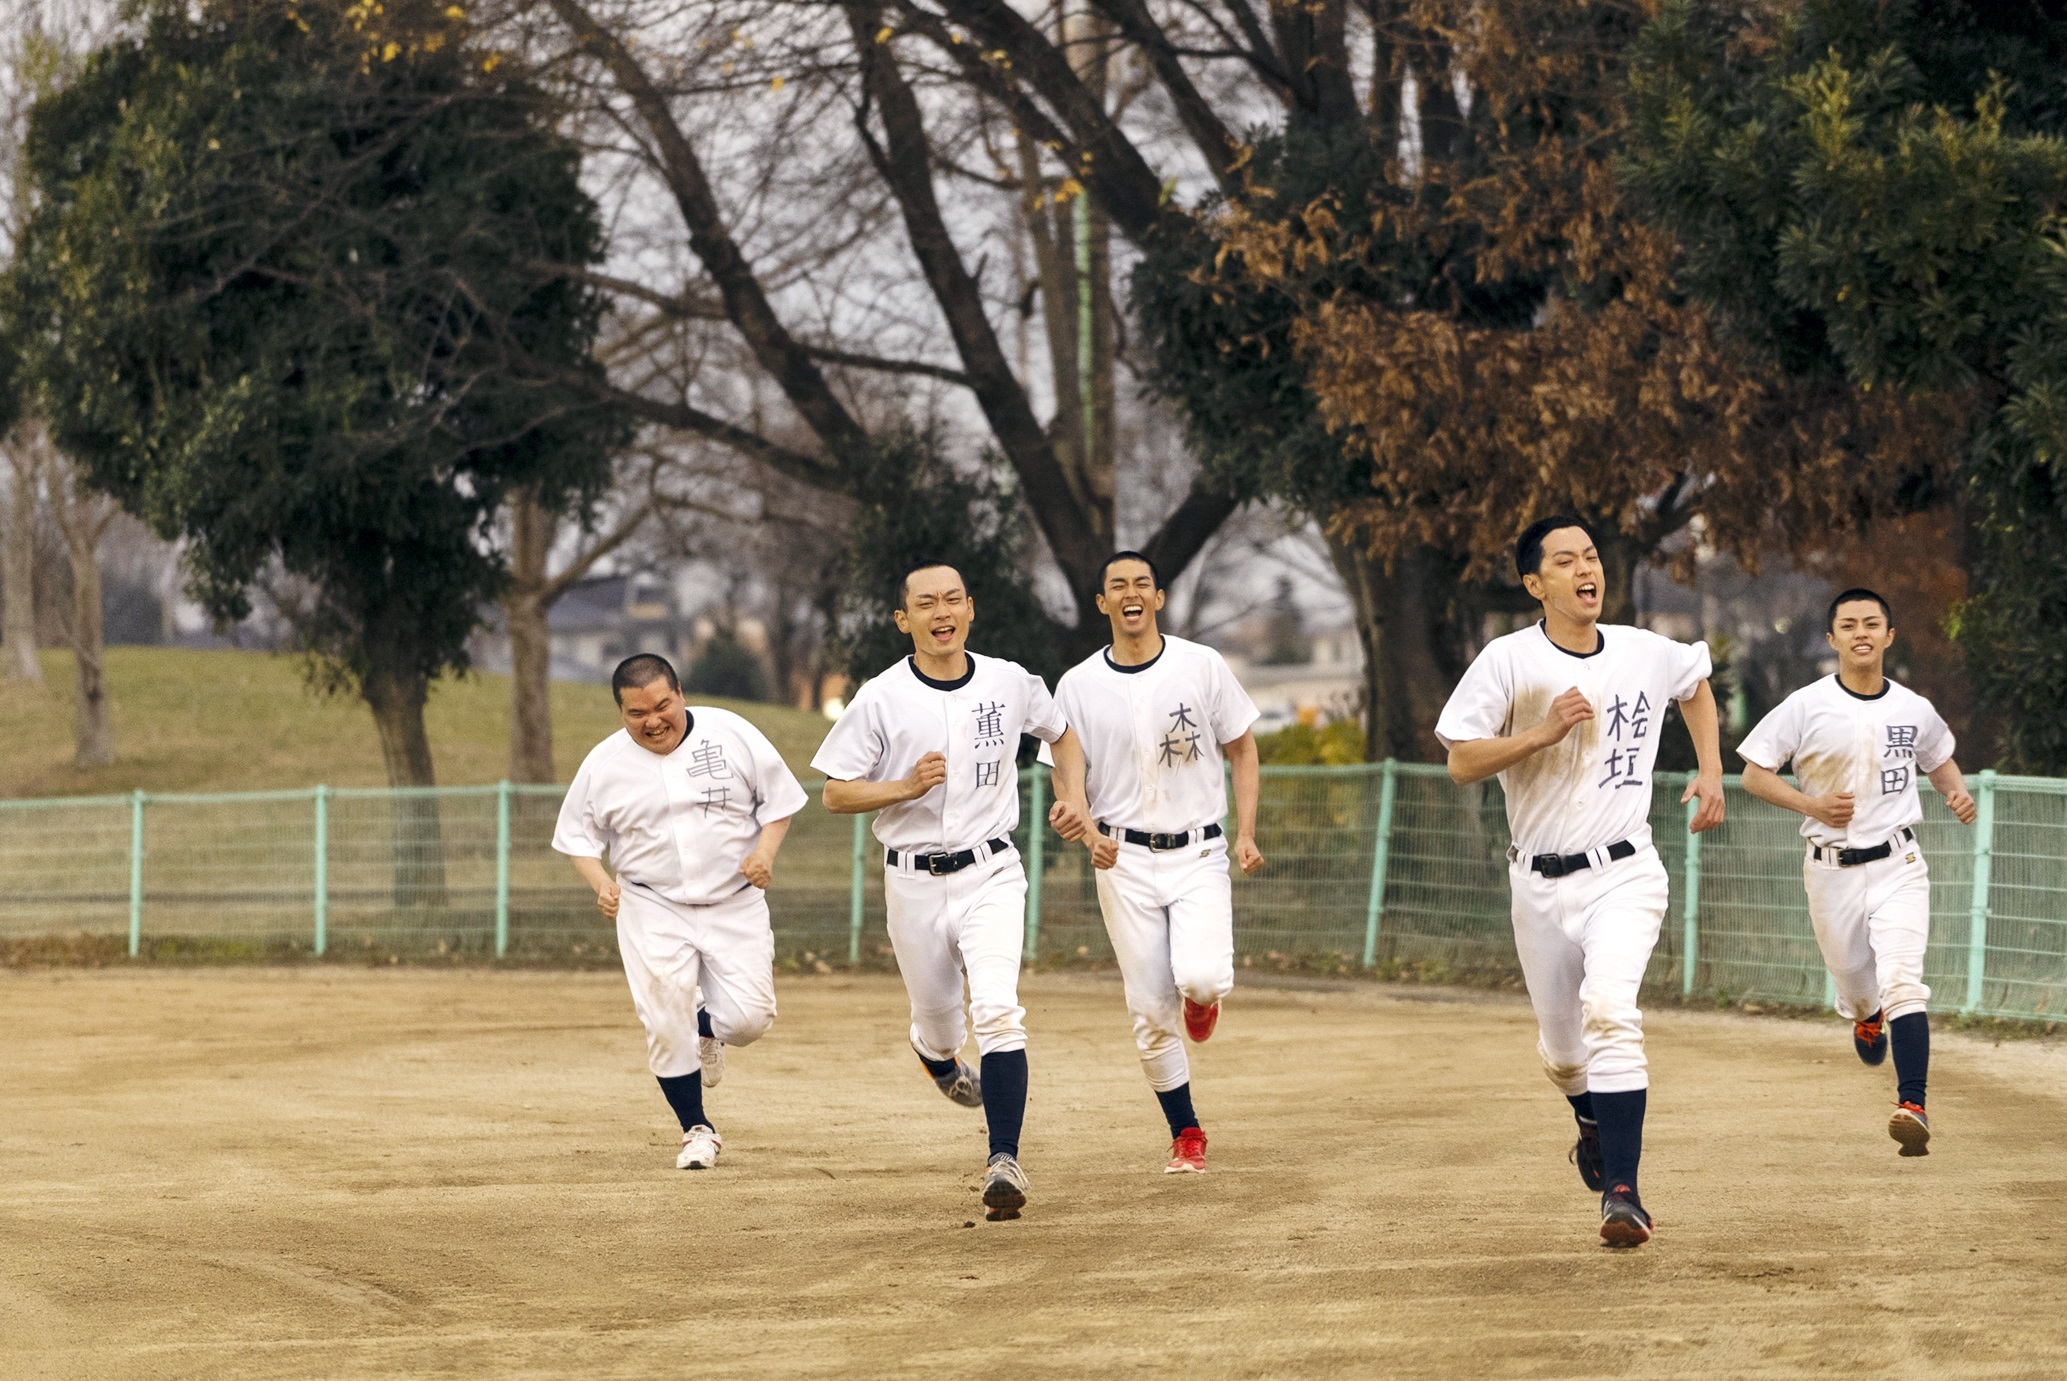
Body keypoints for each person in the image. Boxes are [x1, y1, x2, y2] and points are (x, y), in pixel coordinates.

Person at [1434, 516, 1725, 1248]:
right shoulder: (1507, 661)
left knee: (1610, 1010)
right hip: (1535, 882)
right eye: (1563, 561)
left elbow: (1693, 681)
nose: (1583, 569)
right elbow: (1461, 761)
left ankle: (1622, 1194)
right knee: (1564, 1056)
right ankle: (1590, 1122)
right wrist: (1538, 733)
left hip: (1624, 871)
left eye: (1589, 556)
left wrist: (1711, 767)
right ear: (1535, 584)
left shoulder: (1640, 648)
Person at [813, 561, 1092, 1222]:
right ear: (902, 619)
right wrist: (903, 787)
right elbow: (833, 791)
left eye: (951, 599)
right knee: (940, 1024)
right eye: (924, 603)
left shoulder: (1008, 680)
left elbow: (1062, 735)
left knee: (998, 1008)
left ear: (970, 608)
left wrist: (1073, 795)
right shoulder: (881, 696)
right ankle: (935, 1054)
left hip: (992, 870)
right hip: (912, 879)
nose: (940, 612)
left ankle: (1003, 1159)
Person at [1735, 588, 1975, 1156]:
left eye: (1873, 623)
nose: (1861, 632)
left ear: (1889, 636)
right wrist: (1811, 805)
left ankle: (1912, 1104)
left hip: (1899, 863)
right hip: (1831, 870)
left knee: (1903, 982)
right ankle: (1865, 1018)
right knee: (1859, 986)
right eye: (1849, 625)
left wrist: (1958, 792)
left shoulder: (1913, 708)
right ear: (1833, 638)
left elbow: (1938, 759)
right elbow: (1752, 773)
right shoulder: (1805, 705)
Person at [1049, 551, 1263, 1174]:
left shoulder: (1202, 665)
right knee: (1148, 1009)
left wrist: (1246, 832)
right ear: (1103, 604)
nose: (1131, 593)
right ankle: (1186, 1131)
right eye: (1117, 585)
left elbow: (1243, 750)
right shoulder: (1078, 684)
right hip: (1121, 860)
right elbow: (1068, 777)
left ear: (1159, 598)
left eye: (1142, 582)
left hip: (1198, 850)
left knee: (1201, 978)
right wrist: (1082, 829)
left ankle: (1201, 1000)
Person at [553, 654, 807, 1171]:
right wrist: (601, 883)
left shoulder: (731, 733)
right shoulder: (604, 764)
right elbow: (577, 838)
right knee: (664, 1021)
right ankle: (697, 1129)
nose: (653, 721)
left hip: (734, 899)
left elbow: (779, 800)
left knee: (750, 1020)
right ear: (621, 712)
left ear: (680, 693)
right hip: (651, 904)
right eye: (636, 712)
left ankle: (707, 1027)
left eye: (662, 705)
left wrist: (764, 854)